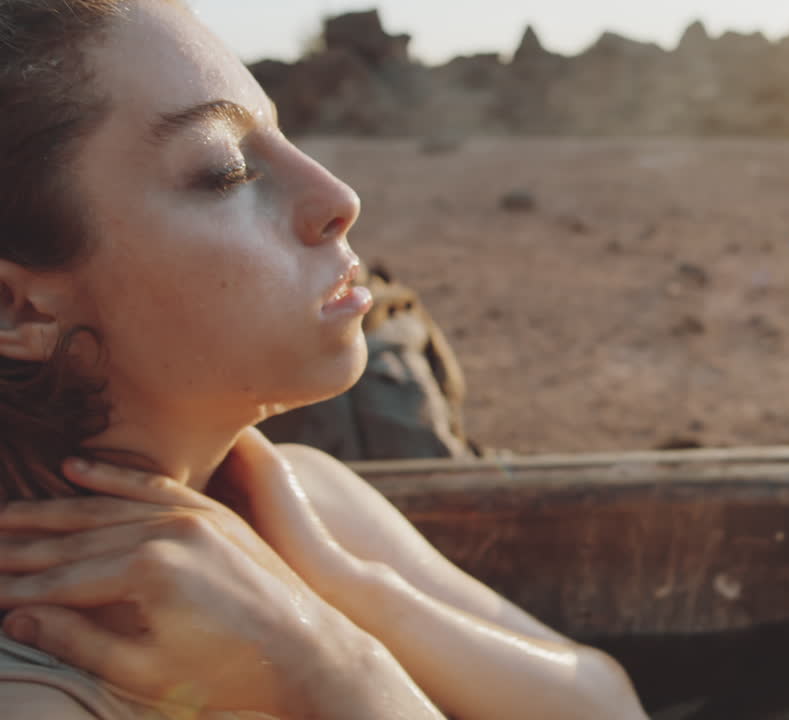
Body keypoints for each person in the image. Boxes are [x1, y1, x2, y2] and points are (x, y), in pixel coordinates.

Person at [0, 1, 647, 717]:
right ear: (17, 308)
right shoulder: (37, 687)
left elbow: (607, 701)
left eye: (282, 136)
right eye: (227, 168)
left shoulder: (295, 500)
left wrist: (340, 594)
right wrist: (336, 673)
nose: (338, 198)